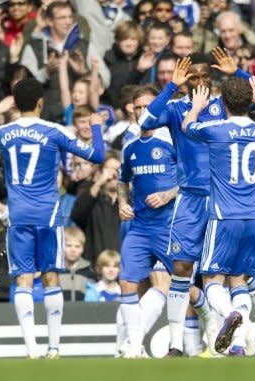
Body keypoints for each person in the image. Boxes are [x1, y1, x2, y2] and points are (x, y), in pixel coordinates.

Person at [139, 49, 255, 357]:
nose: (200, 81)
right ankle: (176, 345)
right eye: (194, 76)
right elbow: (144, 120)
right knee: (182, 268)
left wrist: (238, 72)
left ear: (213, 77)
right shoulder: (176, 108)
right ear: (187, 78)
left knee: (239, 272)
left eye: (205, 75)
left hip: (223, 202)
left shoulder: (226, 106)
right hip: (189, 200)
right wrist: (170, 86)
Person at [0, 77, 104, 359]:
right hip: (48, 215)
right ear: (41, 102)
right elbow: (98, 154)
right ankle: (54, 347)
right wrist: (98, 127)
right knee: (52, 277)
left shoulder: (0, 134)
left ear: (15, 103)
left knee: (23, 280)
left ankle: (31, 349)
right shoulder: (54, 131)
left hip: (17, 215)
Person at [182, 76, 255, 356]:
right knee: (239, 278)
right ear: (249, 103)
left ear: (223, 102)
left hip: (223, 216)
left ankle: (229, 314)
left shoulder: (216, 129)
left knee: (211, 279)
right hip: (254, 217)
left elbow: (187, 126)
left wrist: (197, 105)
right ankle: (241, 343)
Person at [117, 85, 178, 358]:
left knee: (180, 286)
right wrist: (122, 202)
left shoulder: (172, 139)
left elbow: (191, 178)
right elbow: (122, 180)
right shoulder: (129, 144)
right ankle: (132, 347)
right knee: (128, 283)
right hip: (139, 226)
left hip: (170, 224)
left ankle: (206, 337)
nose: (143, 112)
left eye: (148, 107)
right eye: (138, 107)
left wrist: (168, 195)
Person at [59, 226, 95, 302]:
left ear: (82, 249)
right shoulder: (56, 270)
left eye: (77, 246)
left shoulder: (89, 272)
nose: (73, 250)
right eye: (68, 245)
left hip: (82, 312)